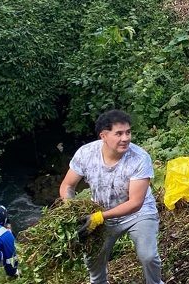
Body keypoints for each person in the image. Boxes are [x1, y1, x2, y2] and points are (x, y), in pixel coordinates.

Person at [59, 110, 163, 284]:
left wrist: (99, 217)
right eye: (119, 134)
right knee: (93, 259)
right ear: (104, 136)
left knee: (148, 255)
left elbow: (135, 203)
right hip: (101, 212)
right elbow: (67, 186)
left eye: (128, 132)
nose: (126, 138)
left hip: (138, 214)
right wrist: (71, 209)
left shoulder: (139, 158)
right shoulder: (86, 154)